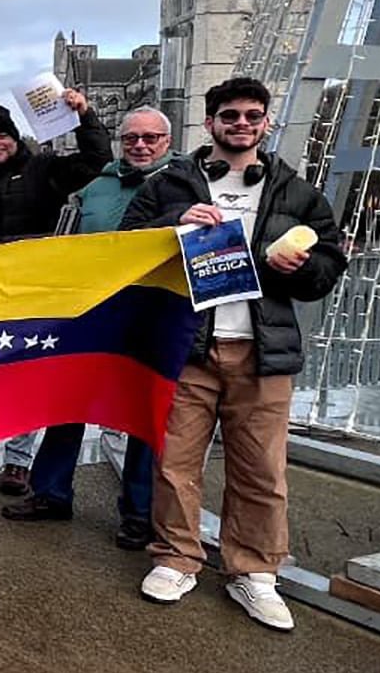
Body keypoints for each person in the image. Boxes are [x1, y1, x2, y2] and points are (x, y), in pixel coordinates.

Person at [120, 78, 346, 631]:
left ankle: (254, 572)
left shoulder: (297, 193)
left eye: (251, 116)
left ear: (265, 123)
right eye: (229, 116)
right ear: (210, 123)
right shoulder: (171, 185)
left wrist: (304, 268)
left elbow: (330, 264)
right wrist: (171, 227)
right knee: (175, 463)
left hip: (262, 348)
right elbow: (125, 245)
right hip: (188, 345)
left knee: (262, 469)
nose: (240, 124)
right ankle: (177, 557)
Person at [1, 106, 174, 549]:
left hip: (149, 311)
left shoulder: (185, 183)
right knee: (67, 403)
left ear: (166, 142)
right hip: (90, 310)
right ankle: (51, 492)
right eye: (132, 137)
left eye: (150, 138)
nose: (140, 145)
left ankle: (139, 512)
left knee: (140, 412)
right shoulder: (95, 187)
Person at [0, 93, 111, 495]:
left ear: (15, 139)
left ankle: (18, 461)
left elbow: (97, 159)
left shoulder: (45, 169)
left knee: (27, 379)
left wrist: (84, 114)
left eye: (2, 136)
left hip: (35, 294)